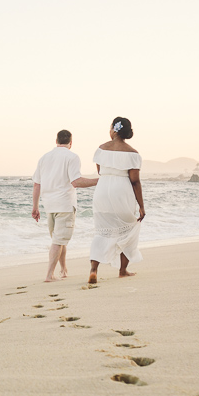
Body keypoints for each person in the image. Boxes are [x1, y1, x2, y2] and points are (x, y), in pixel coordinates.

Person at [32, 130, 99, 282]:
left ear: (56, 141)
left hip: (49, 206)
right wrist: (99, 180)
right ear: (71, 143)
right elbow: (76, 182)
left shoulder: (44, 158)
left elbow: (37, 184)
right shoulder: (72, 156)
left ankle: (63, 270)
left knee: (58, 240)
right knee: (58, 241)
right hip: (65, 205)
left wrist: (35, 207)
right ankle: (49, 275)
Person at [89, 117, 145, 284]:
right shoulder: (133, 153)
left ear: (113, 129)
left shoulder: (101, 149)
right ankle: (122, 270)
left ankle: (93, 269)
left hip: (102, 191)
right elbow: (135, 180)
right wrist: (141, 206)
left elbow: (100, 171)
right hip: (122, 190)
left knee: (101, 231)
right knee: (128, 229)